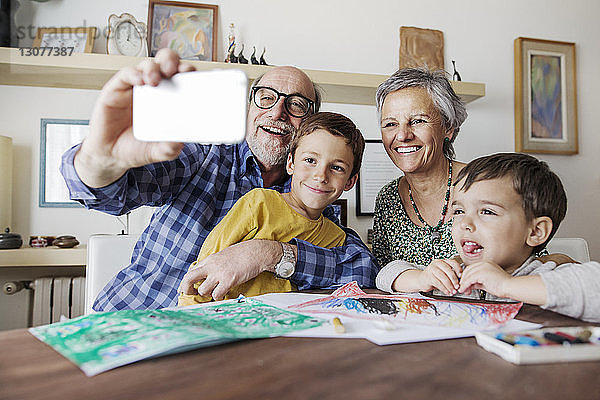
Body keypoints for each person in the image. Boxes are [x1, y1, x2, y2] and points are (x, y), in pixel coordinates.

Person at [60, 49, 378, 311]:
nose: (278, 111)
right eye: (266, 97)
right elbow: (114, 193)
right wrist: (100, 161)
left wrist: (272, 253)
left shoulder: (313, 195)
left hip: (233, 348)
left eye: (296, 105)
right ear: (249, 106)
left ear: (311, 125)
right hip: (138, 317)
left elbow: (362, 269)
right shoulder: (202, 154)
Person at [376, 153, 600, 322]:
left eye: (487, 212)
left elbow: (594, 286)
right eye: (459, 211)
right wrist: (422, 279)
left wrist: (507, 285)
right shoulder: (455, 274)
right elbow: (386, 274)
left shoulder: (543, 275)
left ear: (535, 232)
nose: (465, 223)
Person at [178, 112, 364, 305]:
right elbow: (200, 276)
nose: (321, 176)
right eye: (310, 160)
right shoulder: (259, 204)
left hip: (286, 327)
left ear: (350, 181)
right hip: (223, 324)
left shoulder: (336, 237)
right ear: (290, 163)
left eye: (337, 168)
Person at [372, 67, 468, 269]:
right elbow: (382, 275)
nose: (402, 135)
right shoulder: (387, 199)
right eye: (390, 124)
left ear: (448, 127)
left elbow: (532, 262)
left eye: (417, 121)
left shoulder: (483, 183)